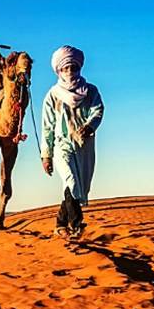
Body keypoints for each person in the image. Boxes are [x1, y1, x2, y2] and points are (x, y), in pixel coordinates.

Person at [41, 45, 104, 228]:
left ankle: (61, 223)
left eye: (73, 67)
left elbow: (98, 111)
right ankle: (76, 224)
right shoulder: (53, 95)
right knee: (71, 180)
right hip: (62, 145)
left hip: (84, 146)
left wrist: (89, 126)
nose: (69, 72)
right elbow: (48, 127)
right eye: (65, 68)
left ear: (80, 67)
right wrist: (46, 156)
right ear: (58, 70)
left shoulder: (90, 91)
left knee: (77, 187)